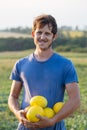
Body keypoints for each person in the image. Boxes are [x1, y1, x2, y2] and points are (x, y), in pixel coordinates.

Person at [8, 14, 80, 130]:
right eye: (39, 32)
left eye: (47, 33)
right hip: (26, 127)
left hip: (55, 127)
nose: (42, 37)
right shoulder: (20, 64)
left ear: (54, 37)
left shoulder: (65, 64)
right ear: (33, 34)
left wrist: (52, 120)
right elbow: (13, 96)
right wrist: (17, 113)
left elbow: (75, 100)